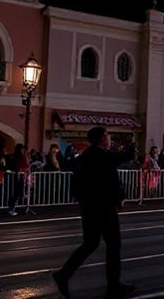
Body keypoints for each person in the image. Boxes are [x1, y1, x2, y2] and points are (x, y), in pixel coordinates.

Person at [53, 127, 135, 298]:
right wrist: (131, 146)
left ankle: (64, 274)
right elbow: (122, 159)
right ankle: (113, 286)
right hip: (103, 206)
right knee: (113, 245)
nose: (110, 138)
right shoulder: (101, 155)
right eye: (107, 135)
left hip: (89, 207)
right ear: (102, 139)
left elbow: (76, 182)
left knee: (90, 243)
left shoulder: (85, 156)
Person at [5, 143, 29, 215]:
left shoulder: (13, 156)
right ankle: (12, 208)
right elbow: (25, 165)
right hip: (18, 177)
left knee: (15, 193)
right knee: (16, 193)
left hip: (15, 176)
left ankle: (12, 207)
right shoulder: (20, 157)